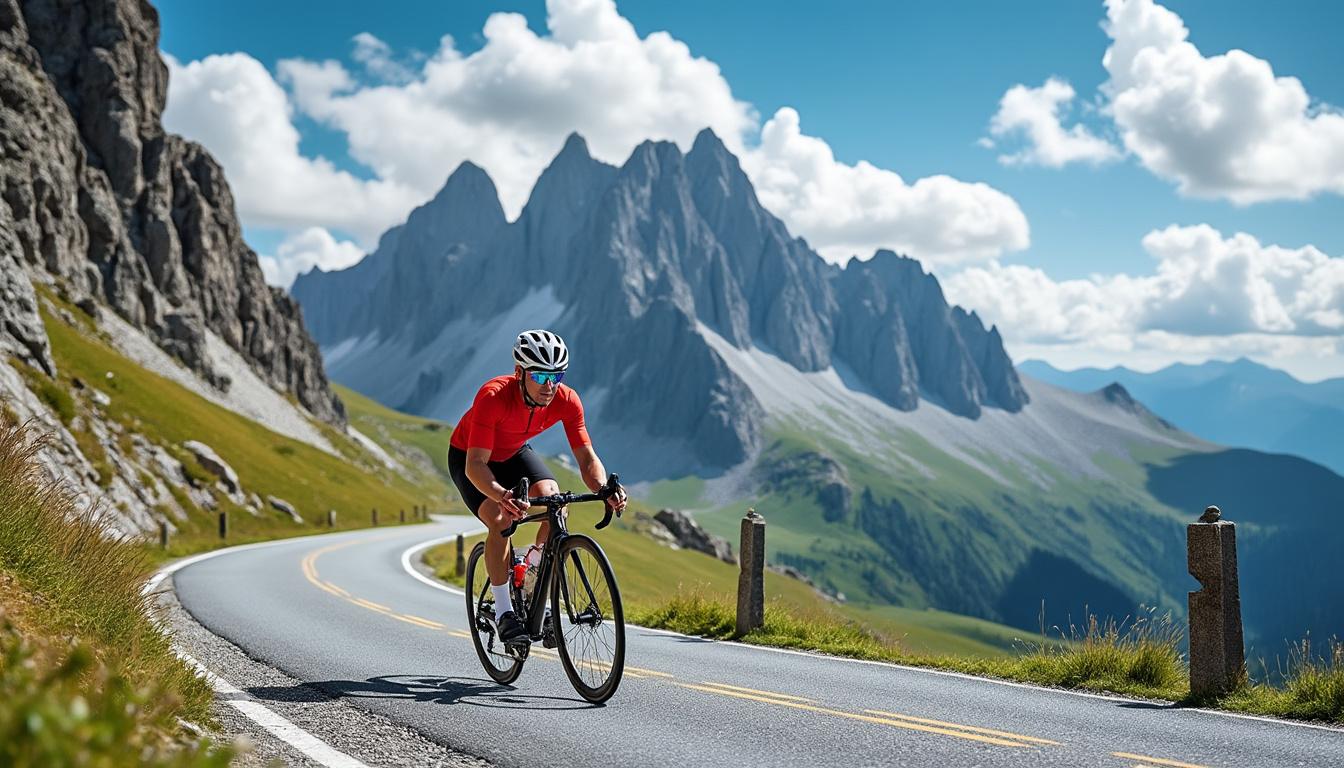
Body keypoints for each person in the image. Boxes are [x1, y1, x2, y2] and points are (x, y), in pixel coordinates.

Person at [447, 329, 627, 648]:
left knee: (555, 502)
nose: (549, 385)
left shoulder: (566, 399)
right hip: (471, 458)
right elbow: (475, 465)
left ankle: (533, 579)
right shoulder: (493, 396)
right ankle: (504, 611)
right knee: (502, 521)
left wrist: (603, 488)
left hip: (514, 451)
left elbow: (587, 457)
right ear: (520, 373)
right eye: (541, 374)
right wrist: (503, 496)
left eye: (556, 376)